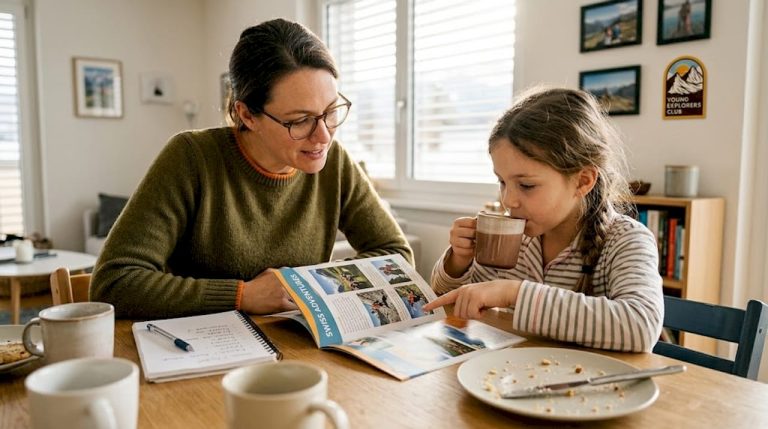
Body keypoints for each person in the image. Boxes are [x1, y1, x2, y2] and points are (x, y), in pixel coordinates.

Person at [91, 19, 412, 319]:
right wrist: (241, 295)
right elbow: (114, 281)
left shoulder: (335, 163)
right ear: (246, 115)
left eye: (330, 112)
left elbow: (396, 256)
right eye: (300, 120)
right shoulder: (191, 158)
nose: (323, 136)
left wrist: (309, 284)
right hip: (201, 354)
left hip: (298, 349)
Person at [423, 87, 663, 353]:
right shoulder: (517, 240)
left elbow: (641, 326)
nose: (508, 200)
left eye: (526, 185)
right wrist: (458, 260)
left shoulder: (626, 240)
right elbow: (447, 297)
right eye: (502, 182)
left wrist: (513, 293)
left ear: (583, 181)